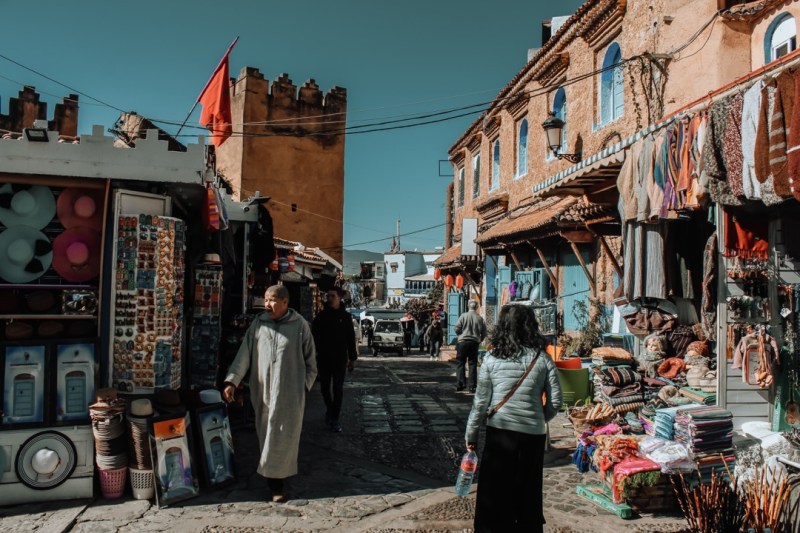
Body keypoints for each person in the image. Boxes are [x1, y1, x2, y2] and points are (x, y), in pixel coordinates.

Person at [465, 304, 562, 533]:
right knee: (528, 490)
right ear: (530, 327)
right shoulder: (542, 359)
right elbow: (556, 401)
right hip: (533, 437)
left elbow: (480, 402)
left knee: (495, 490)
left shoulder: (490, 358)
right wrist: (538, 418)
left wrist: (471, 434)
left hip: (500, 433)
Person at [222, 285, 317, 503]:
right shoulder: (258, 325)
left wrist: (303, 386)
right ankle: (273, 480)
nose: (267, 304)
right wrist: (232, 381)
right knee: (266, 435)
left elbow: (312, 362)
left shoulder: (300, 326)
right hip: (263, 392)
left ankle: (277, 484)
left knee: (283, 437)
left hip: (290, 395)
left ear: (285, 302)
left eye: (272, 300)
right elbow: (243, 355)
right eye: (265, 300)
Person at [312, 288, 358, 433]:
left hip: (340, 359)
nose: (329, 298)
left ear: (339, 298)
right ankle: (330, 410)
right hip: (324, 359)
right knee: (324, 388)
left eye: (332, 296)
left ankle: (335, 418)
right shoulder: (321, 316)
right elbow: (314, 336)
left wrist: (352, 358)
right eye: (328, 296)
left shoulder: (345, 317)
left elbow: (351, 338)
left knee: (337, 389)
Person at [455, 300, 487, 392]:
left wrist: (460, 334)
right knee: (472, 364)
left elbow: (457, 328)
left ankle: (461, 384)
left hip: (463, 342)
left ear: (468, 306)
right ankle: (472, 386)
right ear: (477, 307)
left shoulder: (463, 316)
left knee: (460, 363)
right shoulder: (479, 318)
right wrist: (480, 339)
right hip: (474, 342)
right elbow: (484, 332)